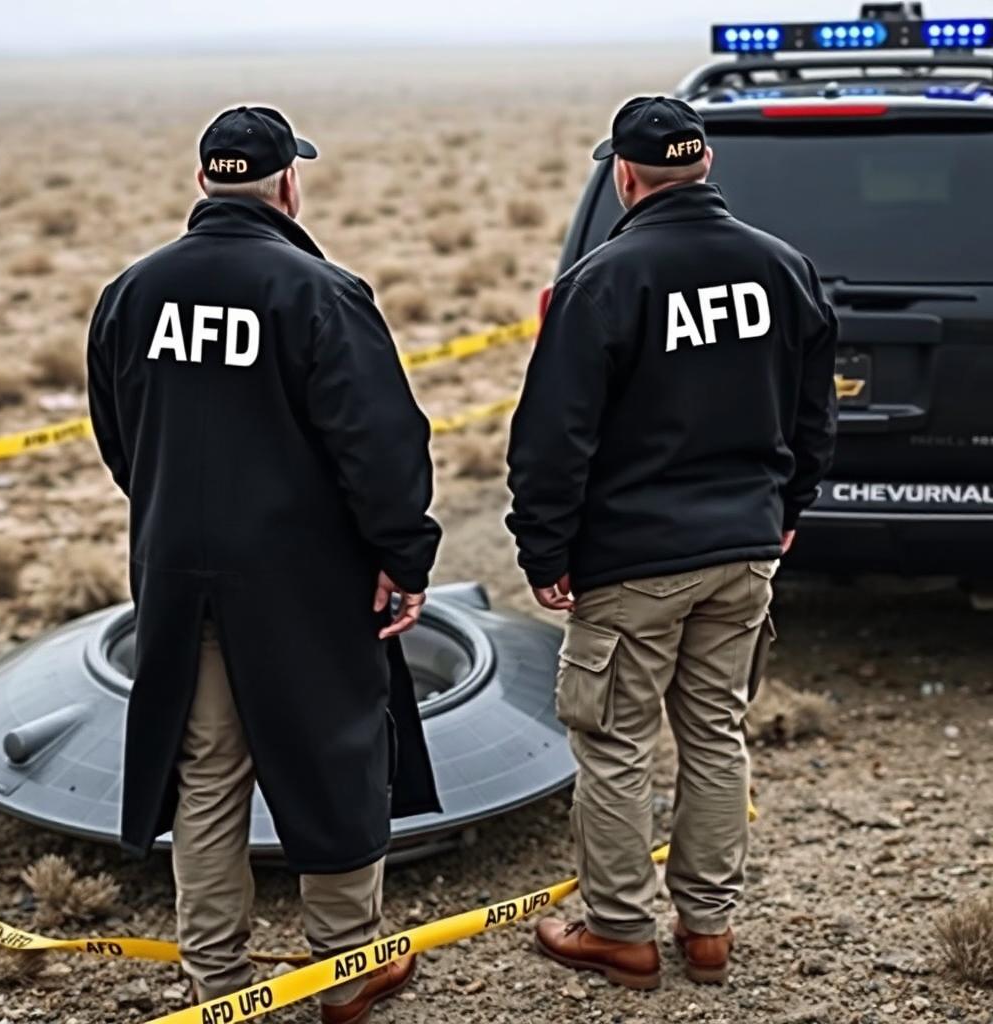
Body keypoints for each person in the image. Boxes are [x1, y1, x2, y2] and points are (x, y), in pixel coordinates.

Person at [87, 105, 442, 1023]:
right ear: (288, 184)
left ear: (203, 181)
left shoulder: (132, 292)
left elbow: (121, 439)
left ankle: (216, 980)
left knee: (207, 770)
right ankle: (346, 974)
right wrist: (401, 552)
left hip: (179, 574)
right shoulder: (321, 291)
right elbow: (382, 446)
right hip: (306, 582)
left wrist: (177, 518)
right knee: (335, 758)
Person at [507, 96, 837, 989]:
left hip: (634, 561)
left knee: (615, 745)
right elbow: (816, 412)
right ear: (705, 162)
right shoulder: (783, 268)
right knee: (716, 733)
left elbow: (551, 438)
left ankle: (619, 932)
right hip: (744, 550)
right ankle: (709, 931)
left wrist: (544, 551)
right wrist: (788, 506)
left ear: (622, 174)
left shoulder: (603, 281)